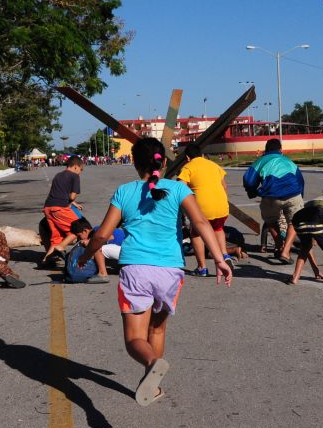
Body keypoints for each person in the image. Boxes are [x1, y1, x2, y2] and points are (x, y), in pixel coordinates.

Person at [76, 137, 232, 407]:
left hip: (136, 270)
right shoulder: (178, 189)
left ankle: (152, 363)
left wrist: (86, 256)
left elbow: (102, 234)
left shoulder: (125, 191)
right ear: (164, 161)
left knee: (135, 339)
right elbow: (201, 222)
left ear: (135, 163)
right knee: (157, 331)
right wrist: (219, 258)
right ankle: (152, 386)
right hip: (171, 271)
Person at [242, 139, 304, 264]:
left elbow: (248, 180)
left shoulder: (261, 160)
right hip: (293, 194)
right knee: (294, 222)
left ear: (266, 150)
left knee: (270, 221)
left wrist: (252, 191)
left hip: (271, 196)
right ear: (280, 150)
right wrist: (300, 196)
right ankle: (286, 251)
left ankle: (280, 246)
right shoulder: (288, 161)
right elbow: (301, 181)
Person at [177, 143, 234, 277]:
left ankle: (202, 267)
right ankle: (224, 254)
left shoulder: (188, 167)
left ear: (187, 157)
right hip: (221, 206)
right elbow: (224, 186)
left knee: (196, 233)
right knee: (218, 229)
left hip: (203, 208)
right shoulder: (214, 165)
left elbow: (181, 188)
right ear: (201, 155)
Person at [42, 155, 84, 261]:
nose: (80, 172)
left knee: (57, 237)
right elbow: (72, 196)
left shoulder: (58, 175)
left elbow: (60, 193)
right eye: (81, 169)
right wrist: (73, 200)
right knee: (81, 229)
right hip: (59, 208)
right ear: (76, 166)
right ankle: (61, 248)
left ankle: (46, 260)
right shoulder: (75, 176)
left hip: (48, 208)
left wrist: (74, 203)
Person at [61, 218, 116, 283]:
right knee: (95, 247)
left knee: (96, 246)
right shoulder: (95, 233)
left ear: (85, 231)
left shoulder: (98, 230)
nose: (78, 238)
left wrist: (90, 241)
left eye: (79, 236)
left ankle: (103, 274)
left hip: (126, 251)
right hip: (121, 251)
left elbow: (111, 237)